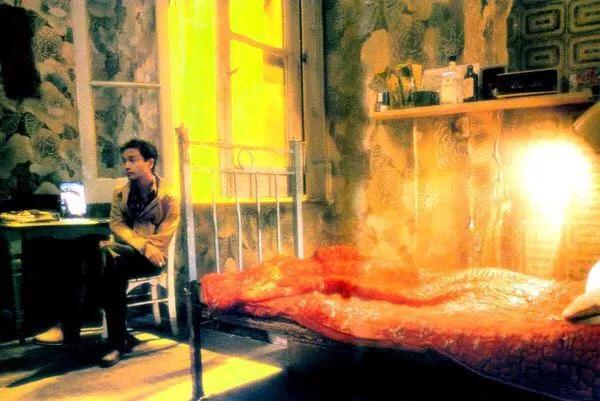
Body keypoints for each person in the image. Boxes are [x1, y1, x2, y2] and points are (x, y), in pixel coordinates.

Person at [34, 139, 180, 367]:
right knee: (86, 247)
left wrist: (145, 248)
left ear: (150, 163)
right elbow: (116, 225)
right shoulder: (121, 192)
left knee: (109, 265)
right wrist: (141, 244)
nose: (126, 166)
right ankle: (117, 341)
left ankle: (71, 329)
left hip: (152, 258)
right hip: (126, 252)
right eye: (124, 161)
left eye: (132, 160)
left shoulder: (168, 197)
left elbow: (162, 239)